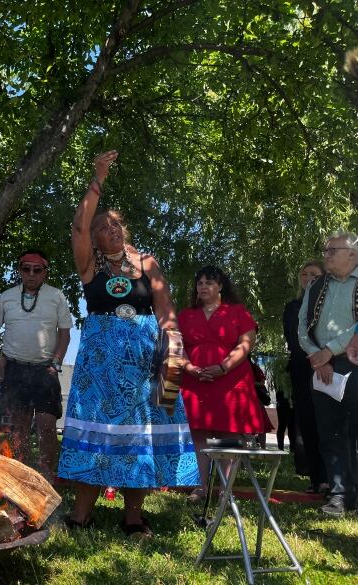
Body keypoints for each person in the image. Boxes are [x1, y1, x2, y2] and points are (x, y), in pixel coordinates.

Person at [57, 151, 198, 538]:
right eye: (103, 227)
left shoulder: (148, 263)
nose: (110, 229)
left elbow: (166, 310)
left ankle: (133, 516)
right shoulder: (90, 266)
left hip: (143, 360)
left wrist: (173, 349)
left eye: (115, 224)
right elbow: (78, 228)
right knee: (96, 429)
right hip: (100, 363)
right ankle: (81, 512)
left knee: (141, 431)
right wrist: (97, 178)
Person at [178, 266, 272, 499]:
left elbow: (246, 343)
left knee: (229, 433)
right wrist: (191, 368)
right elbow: (176, 345)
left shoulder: (238, 312)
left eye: (209, 282)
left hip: (231, 381)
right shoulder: (185, 315)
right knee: (198, 434)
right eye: (199, 283)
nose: (203, 286)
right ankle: (201, 486)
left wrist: (223, 368)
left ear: (221, 286)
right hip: (194, 380)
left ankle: (225, 488)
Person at [0, 249, 72, 481]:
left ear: (45, 272)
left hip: (45, 369)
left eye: (37, 270)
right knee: (19, 428)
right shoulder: (6, 297)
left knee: (46, 425)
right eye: (26, 269)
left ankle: (47, 478)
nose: (31, 274)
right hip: (14, 369)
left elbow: (65, 334)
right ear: (20, 270)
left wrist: (56, 363)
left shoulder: (57, 296)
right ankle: (19, 479)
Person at [297, 231, 358, 517]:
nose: (326, 255)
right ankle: (339, 495)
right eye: (325, 250)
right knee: (330, 431)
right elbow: (302, 327)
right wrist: (317, 357)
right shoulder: (316, 286)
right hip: (322, 367)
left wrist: (330, 350)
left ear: (352, 253)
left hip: (353, 362)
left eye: (332, 250)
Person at [283, 261, 328, 494]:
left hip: (328, 368)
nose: (308, 278)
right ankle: (316, 477)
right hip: (302, 371)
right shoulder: (293, 307)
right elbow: (292, 340)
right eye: (304, 274)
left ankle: (334, 477)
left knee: (328, 423)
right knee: (307, 423)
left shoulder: (330, 305)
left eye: (314, 274)